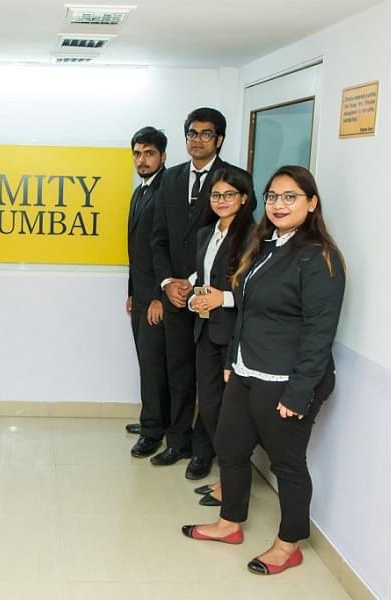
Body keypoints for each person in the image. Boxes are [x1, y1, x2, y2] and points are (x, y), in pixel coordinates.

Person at [181, 165, 345, 577]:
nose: (279, 204)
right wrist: (232, 363)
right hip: (246, 370)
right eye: (273, 196)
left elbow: (319, 333)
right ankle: (229, 523)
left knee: (287, 464)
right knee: (230, 447)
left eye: (291, 197)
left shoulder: (318, 257)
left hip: (285, 380)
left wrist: (299, 392)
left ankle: (289, 544)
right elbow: (246, 311)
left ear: (312, 203)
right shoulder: (266, 245)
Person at [150, 107, 250, 479]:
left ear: (219, 139)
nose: (197, 139)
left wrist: (197, 284)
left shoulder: (231, 180)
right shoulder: (170, 178)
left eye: (206, 134)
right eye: (192, 133)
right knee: (178, 371)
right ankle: (177, 441)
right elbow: (158, 238)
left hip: (217, 303)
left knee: (212, 386)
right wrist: (168, 283)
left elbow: (228, 247)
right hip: (179, 294)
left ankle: (203, 450)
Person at [186, 168, 256, 505]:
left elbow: (254, 289)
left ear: (243, 198)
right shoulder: (206, 234)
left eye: (229, 194)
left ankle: (231, 483)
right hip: (205, 330)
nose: (222, 201)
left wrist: (223, 299)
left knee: (231, 415)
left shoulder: (254, 236)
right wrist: (193, 297)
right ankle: (226, 478)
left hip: (234, 335)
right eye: (216, 195)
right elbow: (203, 278)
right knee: (211, 406)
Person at [124, 126, 172, 458]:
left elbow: (166, 248)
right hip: (139, 294)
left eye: (149, 153)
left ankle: (153, 431)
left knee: (154, 365)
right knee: (147, 361)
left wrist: (158, 296)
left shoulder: (167, 191)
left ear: (163, 156)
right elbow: (137, 250)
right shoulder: (140, 191)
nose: (142, 159)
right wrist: (132, 291)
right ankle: (153, 419)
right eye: (138, 153)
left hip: (156, 297)